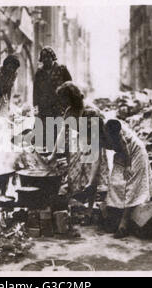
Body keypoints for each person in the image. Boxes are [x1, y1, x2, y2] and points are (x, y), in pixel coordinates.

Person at [47, 82, 109, 224]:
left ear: (72, 98)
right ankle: (75, 209)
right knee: (73, 177)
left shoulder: (90, 113)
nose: (62, 103)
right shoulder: (70, 111)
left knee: (90, 180)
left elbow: (95, 151)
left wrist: (92, 179)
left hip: (93, 144)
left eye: (64, 99)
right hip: (78, 143)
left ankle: (89, 210)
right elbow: (62, 134)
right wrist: (53, 154)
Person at [102, 118, 152, 238]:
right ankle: (114, 217)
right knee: (115, 183)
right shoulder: (101, 128)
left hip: (135, 153)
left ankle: (123, 224)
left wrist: (128, 166)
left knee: (131, 185)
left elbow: (125, 149)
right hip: (121, 154)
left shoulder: (117, 133)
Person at [33, 46, 72, 123]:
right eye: (44, 57)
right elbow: (36, 90)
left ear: (53, 57)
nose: (46, 60)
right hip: (44, 107)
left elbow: (70, 86)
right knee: (44, 131)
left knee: (58, 130)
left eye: (48, 57)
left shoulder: (62, 69)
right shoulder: (39, 72)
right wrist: (35, 105)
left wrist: (69, 103)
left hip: (59, 106)